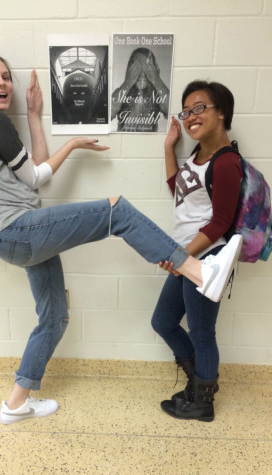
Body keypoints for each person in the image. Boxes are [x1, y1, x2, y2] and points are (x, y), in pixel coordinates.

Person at [0, 54, 242, 425]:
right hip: (16, 229)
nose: (1, 83)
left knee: (54, 318)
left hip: (15, 236)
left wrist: (33, 115)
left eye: (5, 77)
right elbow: (35, 179)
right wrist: (75, 143)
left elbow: (35, 170)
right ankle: (199, 271)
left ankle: (16, 403)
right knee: (117, 210)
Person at [151, 81, 243, 422]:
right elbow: (179, 191)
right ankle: (197, 380)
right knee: (163, 321)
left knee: (202, 331)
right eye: (186, 110)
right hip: (187, 255)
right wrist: (169, 148)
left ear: (222, 112)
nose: (191, 116)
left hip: (206, 258)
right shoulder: (197, 155)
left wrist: (181, 258)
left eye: (199, 107)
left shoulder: (226, 162)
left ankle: (203, 401)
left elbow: (220, 222)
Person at [111, 47, 169, 132]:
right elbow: (108, 114)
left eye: (147, 67)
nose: (142, 74)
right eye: (137, 67)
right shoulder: (121, 92)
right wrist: (128, 82)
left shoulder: (158, 93)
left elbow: (171, 110)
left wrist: (156, 79)